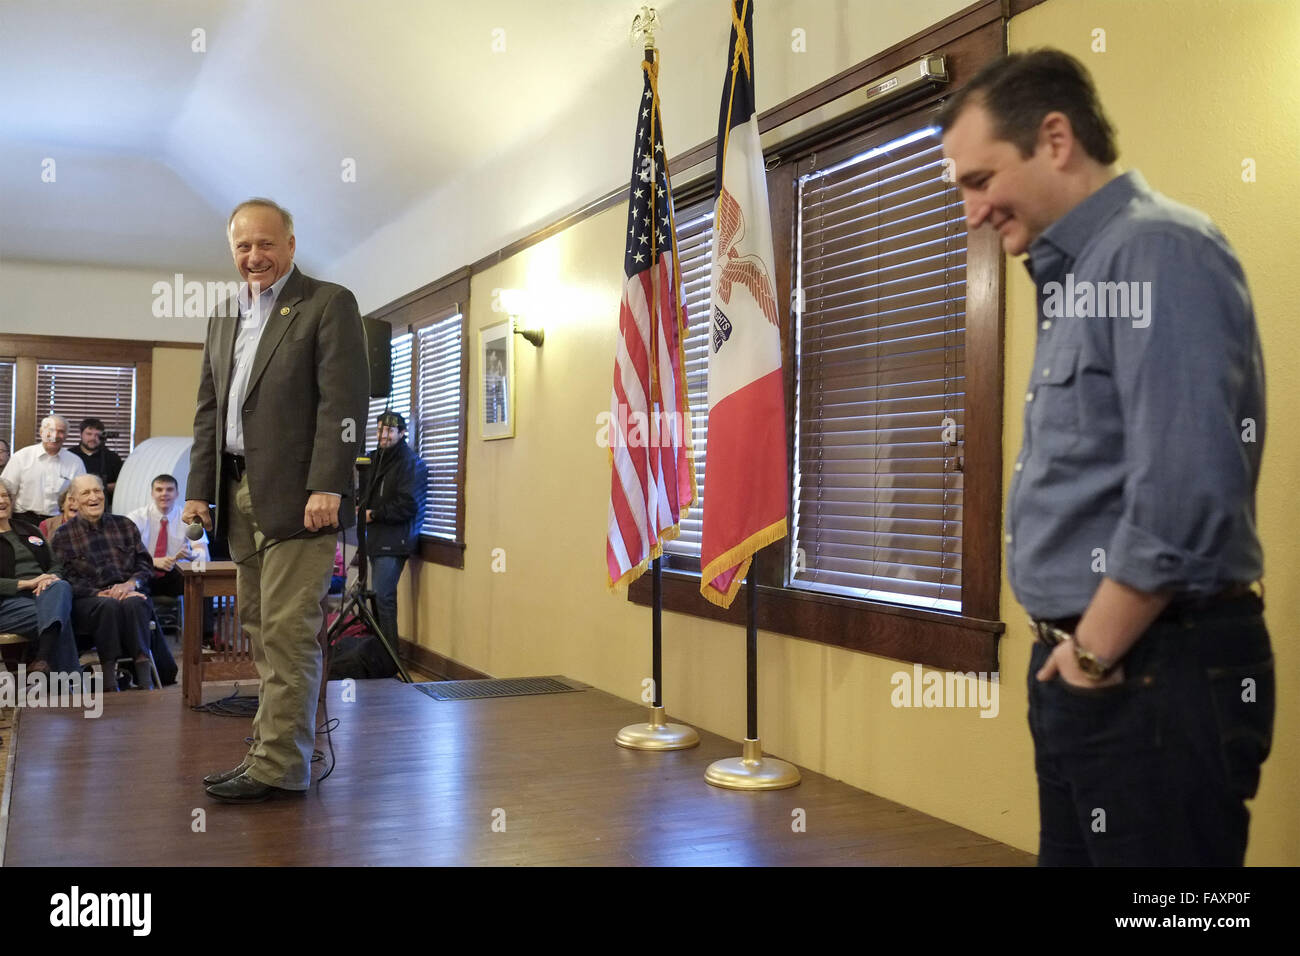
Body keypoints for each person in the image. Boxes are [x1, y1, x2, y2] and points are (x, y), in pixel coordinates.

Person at [940, 49, 1271, 866]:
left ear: (1055, 139)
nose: (973, 211)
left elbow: (1185, 493)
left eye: (981, 180)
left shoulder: (1156, 252)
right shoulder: (1082, 273)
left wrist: (1091, 655)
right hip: (1097, 668)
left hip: (1153, 672)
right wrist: (1075, 659)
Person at [184, 197, 368, 803]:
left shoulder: (327, 302)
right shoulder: (221, 318)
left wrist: (329, 484)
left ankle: (280, 766)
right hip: (237, 492)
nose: (254, 256)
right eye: (243, 246)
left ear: (290, 244)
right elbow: (210, 414)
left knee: (289, 630)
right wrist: (199, 493)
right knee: (260, 627)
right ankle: (271, 751)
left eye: (266, 244)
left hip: (300, 496)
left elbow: (341, 405)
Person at [51, 475, 157, 691]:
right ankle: (109, 677)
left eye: (97, 491)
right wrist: (99, 593)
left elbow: (145, 565)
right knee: (108, 605)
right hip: (89, 601)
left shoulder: (125, 525)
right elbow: (64, 578)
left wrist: (130, 584)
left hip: (128, 593)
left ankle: (144, 675)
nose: (94, 497)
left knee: (134, 603)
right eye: (86, 493)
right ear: (73, 501)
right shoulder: (63, 535)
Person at [358, 410, 427, 658]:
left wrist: (373, 514)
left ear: (402, 432)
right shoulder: (374, 459)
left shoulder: (410, 464)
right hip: (374, 539)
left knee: (383, 598)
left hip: (395, 540)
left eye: (388, 430)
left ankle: (390, 660)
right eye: (379, 430)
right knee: (374, 600)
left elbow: (408, 505)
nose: (383, 435)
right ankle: (376, 655)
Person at [0, 478, 78, 676]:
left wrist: (50, 577)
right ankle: (71, 688)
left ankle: (43, 661)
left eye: (4, 495)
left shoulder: (29, 529)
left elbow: (56, 564)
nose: (2, 501)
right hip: (7, 603)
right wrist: (27, 583)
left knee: (61, 586)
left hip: (44, 594)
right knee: (62, 615)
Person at [127, 473, 205, 599]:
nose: (164, 493)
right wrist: (154, 561)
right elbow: (124, 555)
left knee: (200, 578)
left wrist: (192, 555)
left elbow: (204, 555)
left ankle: (199, 619)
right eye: (159, 490)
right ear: (152, 494)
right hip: (145, 572)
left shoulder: (189, 519)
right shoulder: (136, 517)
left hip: (176, 572)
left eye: (169, 489)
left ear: (177, 494)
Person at [0, 416, 85, 526]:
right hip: (23, 520)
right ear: (41, 432)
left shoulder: (75, 462)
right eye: (50, 430)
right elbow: (6, 493)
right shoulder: (21, 457)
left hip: (59, 522)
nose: (54, 435)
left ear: (66, 436)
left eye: (60, 431)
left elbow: (81, 496)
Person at [68, 417, 124, 507]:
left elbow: (122, 483)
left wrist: (105, 487)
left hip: (104, 507)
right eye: (89, 434)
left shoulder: (112, 458)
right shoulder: (70, 456)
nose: (93, 438)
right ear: (81, 434)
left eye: (97, 435)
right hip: (75, 506)